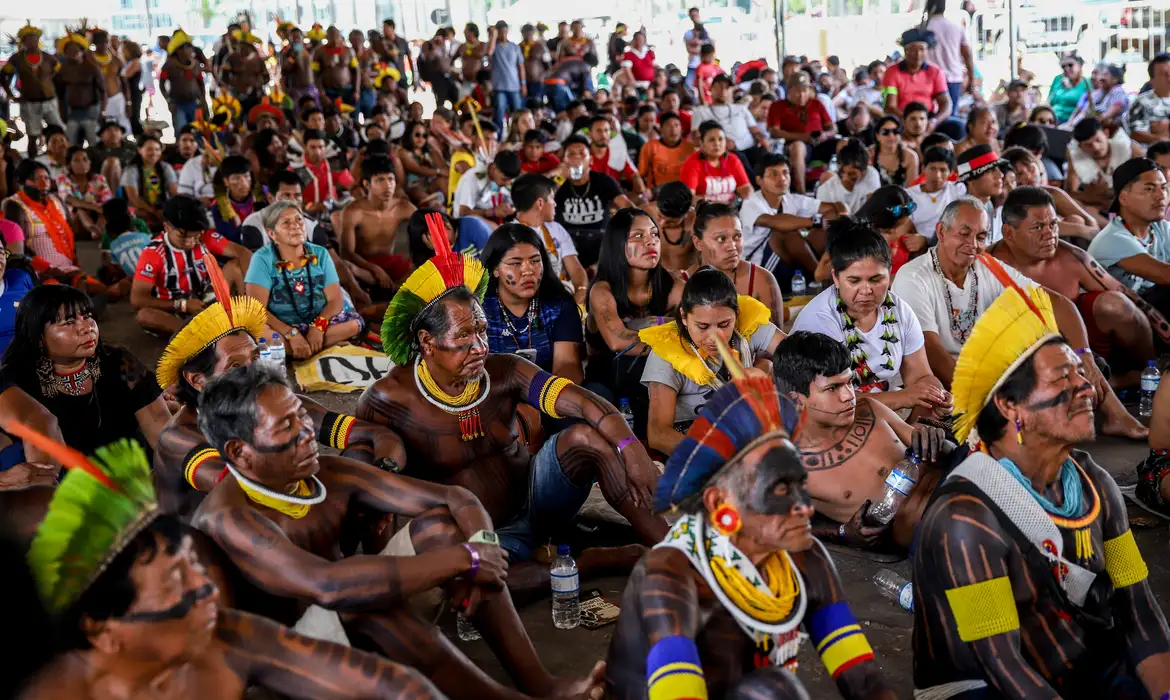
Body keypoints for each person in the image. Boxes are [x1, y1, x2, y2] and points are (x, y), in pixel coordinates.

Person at [191, 360, 604, 700]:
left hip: (343, 615)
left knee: (441, 528)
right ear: (240, 452)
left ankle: (540, 685)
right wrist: (466, 559)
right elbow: (328, 585)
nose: (306, 433)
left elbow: (456, 499)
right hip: (286, 660)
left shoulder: (328, 473)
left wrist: (482, 551)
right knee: (370, 603)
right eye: (285, 428)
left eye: (301, 415)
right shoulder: (232, 517)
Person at [18, 431, 445, 700]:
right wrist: (467, 558)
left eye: (191, 566)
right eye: (175, 581)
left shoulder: (227, 636)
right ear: (101, 630)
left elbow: (397, 687)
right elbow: (325, 582)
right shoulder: (56, 689)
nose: (203, 587)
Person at [356, 219, 665, 581]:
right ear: (427, 342)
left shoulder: (504, 370)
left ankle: (674, 548)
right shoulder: (388, 399)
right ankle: (594, 562)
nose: (480, 347)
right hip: (482, 536)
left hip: (539, 497)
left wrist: (632, 449)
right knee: (482, 582)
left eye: (482, 331)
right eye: (464, 336)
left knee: (586, 437)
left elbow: (582, 401)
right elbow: (366, 481)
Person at [914, 284, 1170, 697]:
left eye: (1081, 373)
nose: (1087, 387)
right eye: (1062, 377)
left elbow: (1139, 611)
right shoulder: (964, 519)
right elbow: (1001, 664)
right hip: (986, 685)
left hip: (1081, 661)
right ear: (1009, 406)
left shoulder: (1096, 484)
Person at [606, 372, 897, 698]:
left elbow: (862, 678)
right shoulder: (670, 575)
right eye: (780, 490)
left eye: (801, 485)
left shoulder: (807, 557)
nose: (805, 507)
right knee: (772, 689)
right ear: (720, 502)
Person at [153, 263, 401, 519]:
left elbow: (375, 435)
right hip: (223, 538)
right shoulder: (180, 437)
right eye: (235, 366)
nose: (253, 372)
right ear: (197, 380)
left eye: (255, 358)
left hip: (277, 524)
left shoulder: (277, 404)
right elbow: (250, 490)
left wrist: (383, 477)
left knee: (363, 454)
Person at [892, 196, 1147, 438]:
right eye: (964, 233)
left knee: (1058, 346)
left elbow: (1057, 304)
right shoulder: (914, 276)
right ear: (941, 231)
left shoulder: (987, 266)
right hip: (941, 380)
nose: (973, 244)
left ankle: (1115, 416)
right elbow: (931, 351)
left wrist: (1085, 355)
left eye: (981, 236)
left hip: (985, 370)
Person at [773, 331, 950, 549]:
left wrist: (935, 435)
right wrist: (843, 532)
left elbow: (932, 447)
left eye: (849, 383)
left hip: (956, 480)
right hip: (934, 529)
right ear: (797, 400)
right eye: (832, 388)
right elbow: (783, 526)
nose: (849, 396)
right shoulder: (789, 467)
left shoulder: (870, 409)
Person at [992, 186, 1167, 380]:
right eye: (1038, 227)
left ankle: (1148, 373)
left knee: (1116, 303)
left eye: (1053, 224)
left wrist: (1162, 352)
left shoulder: (1072, 257)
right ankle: (1118, 382)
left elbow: (1132, 300)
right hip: (1021, 359)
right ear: (1009, 233)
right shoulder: (986, 266)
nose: (1050, 234)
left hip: (1083, 347)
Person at [792, 217, 949, 415]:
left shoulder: (900, 311)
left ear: (890, 273)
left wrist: (936, 396)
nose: (866, 290)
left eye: (876, 279)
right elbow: (831, 401)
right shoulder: (820, 320)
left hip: (884, 413)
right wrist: (904, 397)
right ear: (835, 278)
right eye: (854, 281)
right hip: (827, 418)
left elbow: (921, 376)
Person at [0, 284, 169, 455]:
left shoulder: (118, 361)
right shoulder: (16, 382)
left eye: (87, 316)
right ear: (38, 337)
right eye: (69, 322)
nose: (87, 327)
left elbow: (160, 426)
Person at [641, 266, 782, 455]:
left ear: (736, 314)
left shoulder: (748, 326)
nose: (715, 337)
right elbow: (658, 434)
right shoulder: (666, 355)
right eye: (703, 327)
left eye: (724, 325)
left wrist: (765, 373)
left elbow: (796, 356)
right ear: (684, 317)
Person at [584, 208, 684, 429]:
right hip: (607, 383)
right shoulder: (602, 291)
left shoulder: (673, 286)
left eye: (654, 234)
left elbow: (696, 329)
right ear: (618, 244)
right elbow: (618, 342)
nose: (650, 241)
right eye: (638, 236)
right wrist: (669, 332)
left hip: (658, 380)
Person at [244, 201, 363, 360]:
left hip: (320, 323)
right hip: (281, 326)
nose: (295, 226)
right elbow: (257, 309)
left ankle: (299, 349)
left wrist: (318, 327)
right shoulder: (262, 258)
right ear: (272, 234)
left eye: (299, 219)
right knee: (261, 334)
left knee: (354, 325)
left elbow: (335, 300)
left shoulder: (320, 253)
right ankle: (315, 345)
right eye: (286, 222)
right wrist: (291, 333)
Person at [131, 195, 252, 336]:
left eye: (195, 236)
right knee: (144, 315)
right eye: (183, 237)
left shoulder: (206, 236)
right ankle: (200, 335)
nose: (190, 242)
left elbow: (243, 252)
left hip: (206, 300)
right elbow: (137, 299)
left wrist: (251, 288)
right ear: (167, 227)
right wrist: (182, 305)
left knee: (235, 266)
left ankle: (246, 318)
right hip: (173, 309)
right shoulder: (152, 253)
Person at [480, 223, 584, 384]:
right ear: (495, 269)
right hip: (491, 395)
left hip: (551, 395)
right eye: (516, 263)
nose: (528, 271)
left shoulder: (559, 306)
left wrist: (541, 396)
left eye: (535, 261)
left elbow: (568, 365)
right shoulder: (478, 310)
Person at [2, 160, 108, 295]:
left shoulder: (56, 200)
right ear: (21, 182)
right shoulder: (14, 205)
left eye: (46, 178)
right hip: (39, 274)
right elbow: (18, 249)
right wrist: (47, 268)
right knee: (61, 296)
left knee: (101, 291)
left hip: (68, 269)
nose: (44, 183)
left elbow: (69, 235)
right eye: (36, 179)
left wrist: (75, 263)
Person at [1086, 158, 1170, 321]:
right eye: (1149, 189)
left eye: (1164, 188)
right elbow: (1165, 275)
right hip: (1120, 319)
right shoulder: (1113, 239)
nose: (1161, 196)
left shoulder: (1161, 228)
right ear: (1124, 198)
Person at [685, 201, 784, 323]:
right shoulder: (683, 284)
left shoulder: (761, 280)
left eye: (737, 237)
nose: (732, 247)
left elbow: (776, 334)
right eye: (721, 239)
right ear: (698, 243)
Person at [555, 135, 633, 268]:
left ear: (590, 160)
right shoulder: (558, 183)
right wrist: (560, 178)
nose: (577, 158)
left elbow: (626, 205)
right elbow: (542, 203)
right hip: (566, 240)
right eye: (571, 154)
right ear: (564, 160)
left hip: (599, 239)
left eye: (582, 154)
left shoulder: (602, 180)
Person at [339, 155, 416, 289]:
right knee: (346, 267)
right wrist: (374, 269)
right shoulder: (353, 211)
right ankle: (395, 289)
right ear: (366, 184)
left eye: (390, 179)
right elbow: (346, 253)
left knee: (427, 264)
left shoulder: (403, 207)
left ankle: (396, 288)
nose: (387, 186)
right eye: (380, 180)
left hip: (391, 263)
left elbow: (428, 229)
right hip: (365, 266)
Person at [512, 173, 588, 305]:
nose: (555, 204)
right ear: (540, 203)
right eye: (552, 199)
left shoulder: (556, 229)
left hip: (562, 294)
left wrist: (581, 290)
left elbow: (576, 269)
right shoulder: (509, 236)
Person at [1001, 147, 1099, 241]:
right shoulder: (1012, 204)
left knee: (1076, 219)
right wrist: (1081, 230)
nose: (1029, 176)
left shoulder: (1051, 193)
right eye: (1020, 174)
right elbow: (1037, 227)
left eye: (1031, 168)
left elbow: (1090, 221)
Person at [0, 23, 62, 158]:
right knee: (33, 136)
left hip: (50, 101)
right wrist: (11, 94)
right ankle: (32, 162)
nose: (32, 42)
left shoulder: (48, 57)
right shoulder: (16, 58)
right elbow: (3, 75)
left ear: (38, 40)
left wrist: (51, 87)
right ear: (23, 41)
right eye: (28, 39)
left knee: (57, 130)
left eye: (35, 39)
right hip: (29, 102)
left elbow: (59, 73)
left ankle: (56, 157)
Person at [1066, 117, 1142, 224]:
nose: (1095, 147)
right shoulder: (1076, 156)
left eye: (1098, 140)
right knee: (1076, 207)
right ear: (1080, 147)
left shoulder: (1129, 148)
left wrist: (1105, 195)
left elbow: (1150, 179)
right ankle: (1109, 228)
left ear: (1106, 133)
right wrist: (1090, 197)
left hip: (1130, 200)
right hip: (1097, 207)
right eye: (1088, 145)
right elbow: (1069, 194)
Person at [691, 74, 768, 176]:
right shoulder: (701, 111)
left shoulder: (741, 108)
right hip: (724, 151)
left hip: (749, 147)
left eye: (727, 87)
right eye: (719, 86)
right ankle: (755, 183)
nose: (723, 90)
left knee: (764, 154)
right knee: (738, 157)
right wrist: (721, 142)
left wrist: (763, 139)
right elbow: (696, 137)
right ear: (711, 88)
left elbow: (755, 130)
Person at [883, 28, 952, 126]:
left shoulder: (936, 72)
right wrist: (909, 122)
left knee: (957, 126)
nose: (918, 54)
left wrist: (934, 122)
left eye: (922, 49)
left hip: (928, 118)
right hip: (901, 118)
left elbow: (945, 103)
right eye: (913, 49)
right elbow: (890, 106)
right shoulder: (892, 72)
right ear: (905, 51)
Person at [679, 121, 751, 206]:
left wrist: (734, 204)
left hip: (733, 209)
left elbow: (746, 189)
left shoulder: (732, 159)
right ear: (701, 143)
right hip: (703, 210)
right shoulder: (692, 163)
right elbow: (689, 198)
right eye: (711, 140)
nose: (717, 144)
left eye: (720, 139)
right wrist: (717, 207)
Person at [55, 32, 106, 149]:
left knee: (94, 143)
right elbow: (60, 94)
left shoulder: (92, 67)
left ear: (82, 51)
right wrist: (61, 112)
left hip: (92, 111)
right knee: (71, 144)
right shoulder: (63, 70)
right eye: (69, 51)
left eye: (75, 50)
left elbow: (103, 91)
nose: (73, 53)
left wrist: (102, 111)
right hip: (72, 112)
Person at [924, 0, 975, 110]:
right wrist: (971, 79)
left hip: (929, 79)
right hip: (953, 77)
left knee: (931, 113)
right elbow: (967, 54)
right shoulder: (956, 27)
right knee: (951, 113)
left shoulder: (924, 28)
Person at [122, 135, 179, 231]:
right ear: (139, 150)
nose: (154, 153)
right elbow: (134, 198)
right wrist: (154, 211)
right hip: (141, 209)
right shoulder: (131, 170)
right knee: (138, 214)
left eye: (157, 149)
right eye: (149, 149)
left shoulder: (166, 167)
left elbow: (174, 192)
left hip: (162, 208)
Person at [56, 146, 113, 241]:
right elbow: (69, 198)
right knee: (80, 210)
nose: (82, 163)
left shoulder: (99, 179)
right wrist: (93, 207)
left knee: (104, 211)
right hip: (72, 219)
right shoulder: (63, 179)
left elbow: (107, 201)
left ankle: (98, 232)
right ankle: (92, 229)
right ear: (69, 165)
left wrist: (99, 209)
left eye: (85, 159)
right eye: (77, 160)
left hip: (96, 216)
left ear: (90, 162)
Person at [907, 146, 964, 240]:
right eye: (932, 169)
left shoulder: (958, 190)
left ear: (951, 172)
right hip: (918, 244)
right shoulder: (909, 195)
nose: (937, 175)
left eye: (943, 170)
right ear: (923, 168)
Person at [954, 144, 1008, 242]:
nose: (1000, 175)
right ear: (971, 179)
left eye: (998, 169)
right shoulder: (966, 211)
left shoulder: (987, 203)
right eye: (990, 171)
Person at [452, 149, 521, 224]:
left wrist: (510, 209)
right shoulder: (472, 180)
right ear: (494, 168)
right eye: (504, 179)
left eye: (510, 180)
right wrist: (492, 212)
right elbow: (463, 213)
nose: (507, 183)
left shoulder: (506, 178)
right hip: (466, 224)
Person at [159, 31, 207, 133]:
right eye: (186, 48)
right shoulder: (169, 65)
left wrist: (203, 99)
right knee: (181, 130)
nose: (190, 51)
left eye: (190, 47)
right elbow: (161, 84)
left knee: (196, 131)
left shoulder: (196, 64)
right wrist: (168, 101)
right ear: (178, 50)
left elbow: (201, 82)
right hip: (177, 104)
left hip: (195, 102)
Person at [816, 138, 880, 214]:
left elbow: (875, 208)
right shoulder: (825, 190)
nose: (845, 178)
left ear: (864, 172)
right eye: (841, 172)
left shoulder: (871, 173)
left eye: (852, 174)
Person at [489, 21, 526, 136]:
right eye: (500, 32)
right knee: (499, 114)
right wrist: (493, 36)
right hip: (499, 87)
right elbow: (489, 53)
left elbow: (521, 67)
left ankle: (518, 136)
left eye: (505, 31)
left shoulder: (515, 47)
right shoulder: (494, 46)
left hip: (514, 86)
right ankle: (498, 137)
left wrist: (523, 84)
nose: (503, 34)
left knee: (518, 114)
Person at [1128, 53, 1170, 146]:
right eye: (1163, 74)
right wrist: (1161, 138)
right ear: (1152, 81)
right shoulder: (1142, 102)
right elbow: (1135, 134)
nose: (1169, 77)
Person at [870, 115, 920, 188]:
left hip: (902, 195)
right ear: (877, 136)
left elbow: (913, 189)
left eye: (895, 131)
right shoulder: (870, 154)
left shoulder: (910, 156)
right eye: (885, 132)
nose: (891, 136)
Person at [1048, 53, 1090, 124]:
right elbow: (1049, 102)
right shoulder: (1058, 79)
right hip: (1052, 119)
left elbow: (1084, 110)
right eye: (1063, 66)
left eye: (1070, 65)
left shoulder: (1087, 83)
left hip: (1073, 122)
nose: (1066, 68)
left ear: (1079, 66)